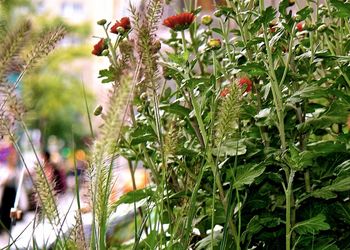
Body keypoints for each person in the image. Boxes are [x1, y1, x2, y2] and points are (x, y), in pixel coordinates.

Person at [0, 143, 17, 233]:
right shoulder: (4, 170)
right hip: (6, 197)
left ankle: (12, 227)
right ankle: (6, 228)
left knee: (14, 215)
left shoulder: (16, 170)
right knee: (6, 215)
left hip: (13, 197)